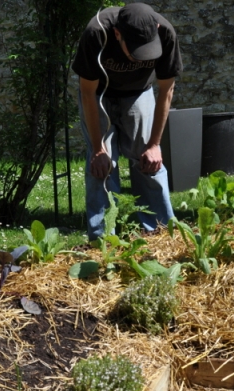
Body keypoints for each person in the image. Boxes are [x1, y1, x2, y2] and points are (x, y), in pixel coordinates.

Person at [72, 2, 183, 240]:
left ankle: (161, 232)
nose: (138, 58)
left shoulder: (166, 33)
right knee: (101, 166)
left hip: (139, 91)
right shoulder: (97, 32)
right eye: (134, 51)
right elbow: (87, 92)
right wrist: (98, 148)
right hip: (99, 93)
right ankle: (103, 238)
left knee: (148, 160)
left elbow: (167, 90)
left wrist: (154, 144)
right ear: (118, 34)